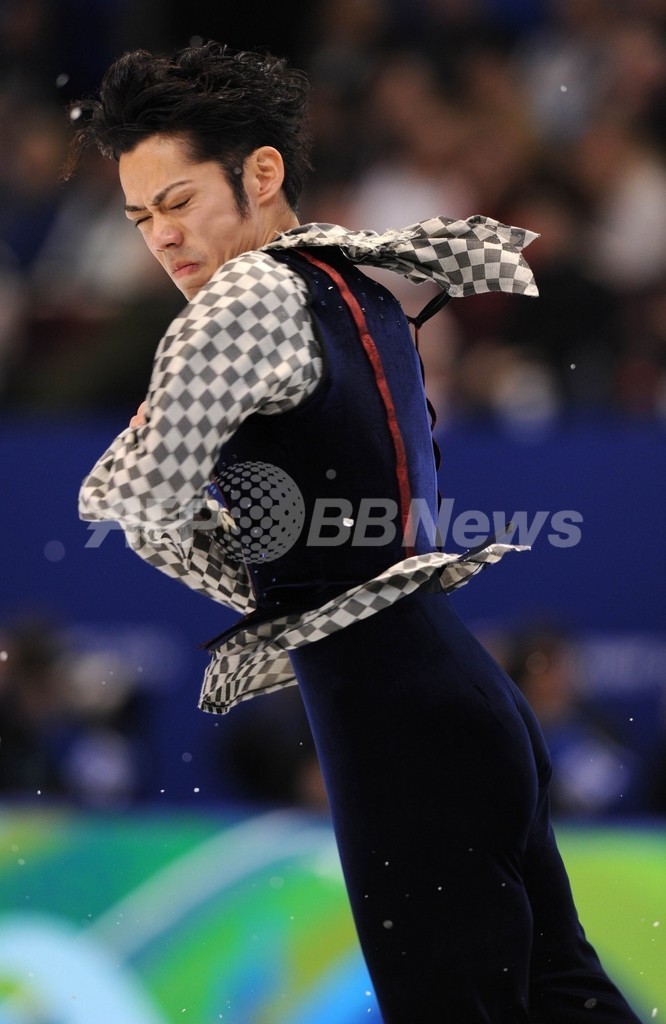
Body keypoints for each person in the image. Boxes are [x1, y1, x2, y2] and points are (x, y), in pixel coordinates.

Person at [70, 41, 644, 1024]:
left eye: (177, 204)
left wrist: (266, 590)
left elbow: (134, 502)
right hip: (465, 695)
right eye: (138, 219)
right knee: (566, 997)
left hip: (395, 719)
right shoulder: (360, 278)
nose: (160, 240)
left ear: (261, 172)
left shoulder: (241, 299)